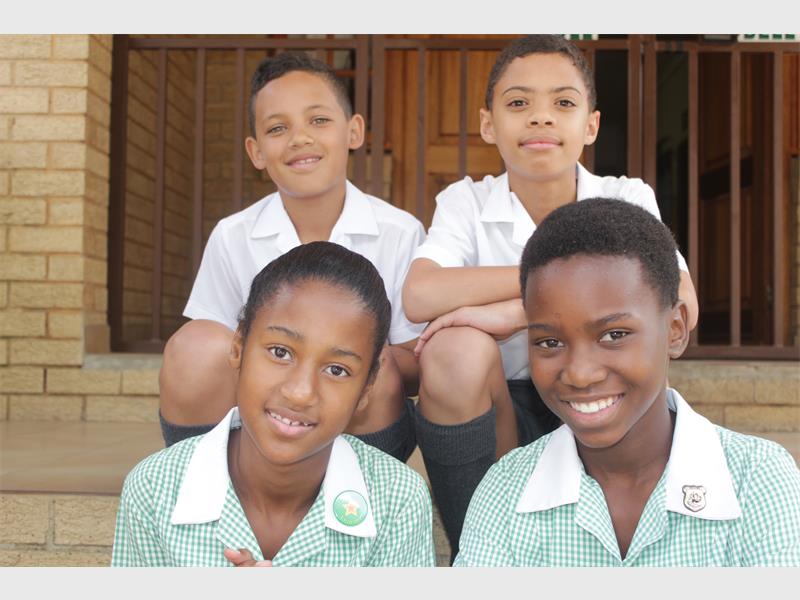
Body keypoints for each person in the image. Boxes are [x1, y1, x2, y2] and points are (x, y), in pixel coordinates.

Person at [401, 34, 700, 559]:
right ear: (488, 124)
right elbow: (420, 294)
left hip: (604, 387)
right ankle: (480, 549)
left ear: (591, 125)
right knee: (453, 351)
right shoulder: (466, 201)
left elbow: (679, 300)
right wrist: (554, 277)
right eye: (519, 103)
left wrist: (514, 313)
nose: (541, 117)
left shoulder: (624, 195)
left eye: (563, 102)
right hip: (497, 405)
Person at [454, 198, 800, 566]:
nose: (580, 374)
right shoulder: (507, 491)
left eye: (614, 335)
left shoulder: (757, 480)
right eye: (550, 342)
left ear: (675, 330)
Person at [158, 53, 425, 463]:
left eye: (318, 120)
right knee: (194, 345)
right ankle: (203, 479)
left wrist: (333, 363)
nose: (300, 138)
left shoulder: (400, 232)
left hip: (354, 414)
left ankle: (360, 491)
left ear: (354, 131)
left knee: (382, 362)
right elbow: (211, 353)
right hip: (260, 417)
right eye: (277, 128)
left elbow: (414, 364)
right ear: (256, 151)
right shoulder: (234, 235)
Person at [113, 243, 436, 567]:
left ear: (366, 388)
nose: (300, 393)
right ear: (238, 347)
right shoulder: (154, 488)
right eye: (280, 352)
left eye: (337, 370)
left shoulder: (397, 500)